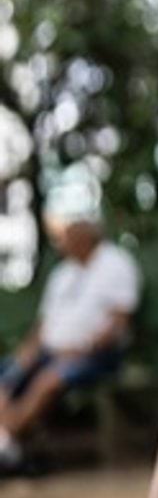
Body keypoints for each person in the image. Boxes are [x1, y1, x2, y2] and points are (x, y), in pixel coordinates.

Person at [0, 183, 140, 475]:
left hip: (95, 355)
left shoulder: (116, 264)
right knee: (8, 378)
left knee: (47, 381)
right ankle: (8, 446)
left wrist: (85, 348)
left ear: (88, 234)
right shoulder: (62, 273)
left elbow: (119, 322)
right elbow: (43, 325)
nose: (63, 239)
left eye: (70, 232)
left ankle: (6, 446)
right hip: (49, 351)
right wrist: (27, 352)